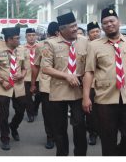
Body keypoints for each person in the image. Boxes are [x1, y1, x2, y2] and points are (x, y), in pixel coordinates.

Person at [83, 8, 126, 156]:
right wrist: (86, 97)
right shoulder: (94, 46)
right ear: (102, 26)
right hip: (105, 99)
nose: (109, 24)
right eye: (105, 23)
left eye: (112, 21)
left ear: (119, 22)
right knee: (108, 139)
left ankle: (118, 155)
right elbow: (89, 72)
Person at [41, 12, 89, 156]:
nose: (75, 29)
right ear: (62, 30)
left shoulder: (84, 41)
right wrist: (67, 76)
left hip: (79, 92)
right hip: (58, 92)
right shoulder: (50, 44)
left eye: (76, 25)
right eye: (71, 27)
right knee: (60, 130)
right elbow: (46, 68)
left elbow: (90, 67)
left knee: (80, 127)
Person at [0, 27, 29, 151]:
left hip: (18, 85)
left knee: (21, 110)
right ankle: (4, 138)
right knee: (3, 114)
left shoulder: (22, 50)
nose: (19, 40)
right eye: (17, 38)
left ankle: (14, 126)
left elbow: (25, 68)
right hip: (3, 86)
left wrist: (22, 75)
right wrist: (1, 81)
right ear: (9, 39)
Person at [21, 28, 41, 123]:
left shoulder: (41, 47)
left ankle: (35, 108)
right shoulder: (21, 48)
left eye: (33, 35)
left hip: (39, 76)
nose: (31, 37)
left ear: (36, 36)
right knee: (27, 97)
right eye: (29, 35)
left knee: (39, 96)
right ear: (25, 37)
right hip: (27, 76)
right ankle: (30, 114)